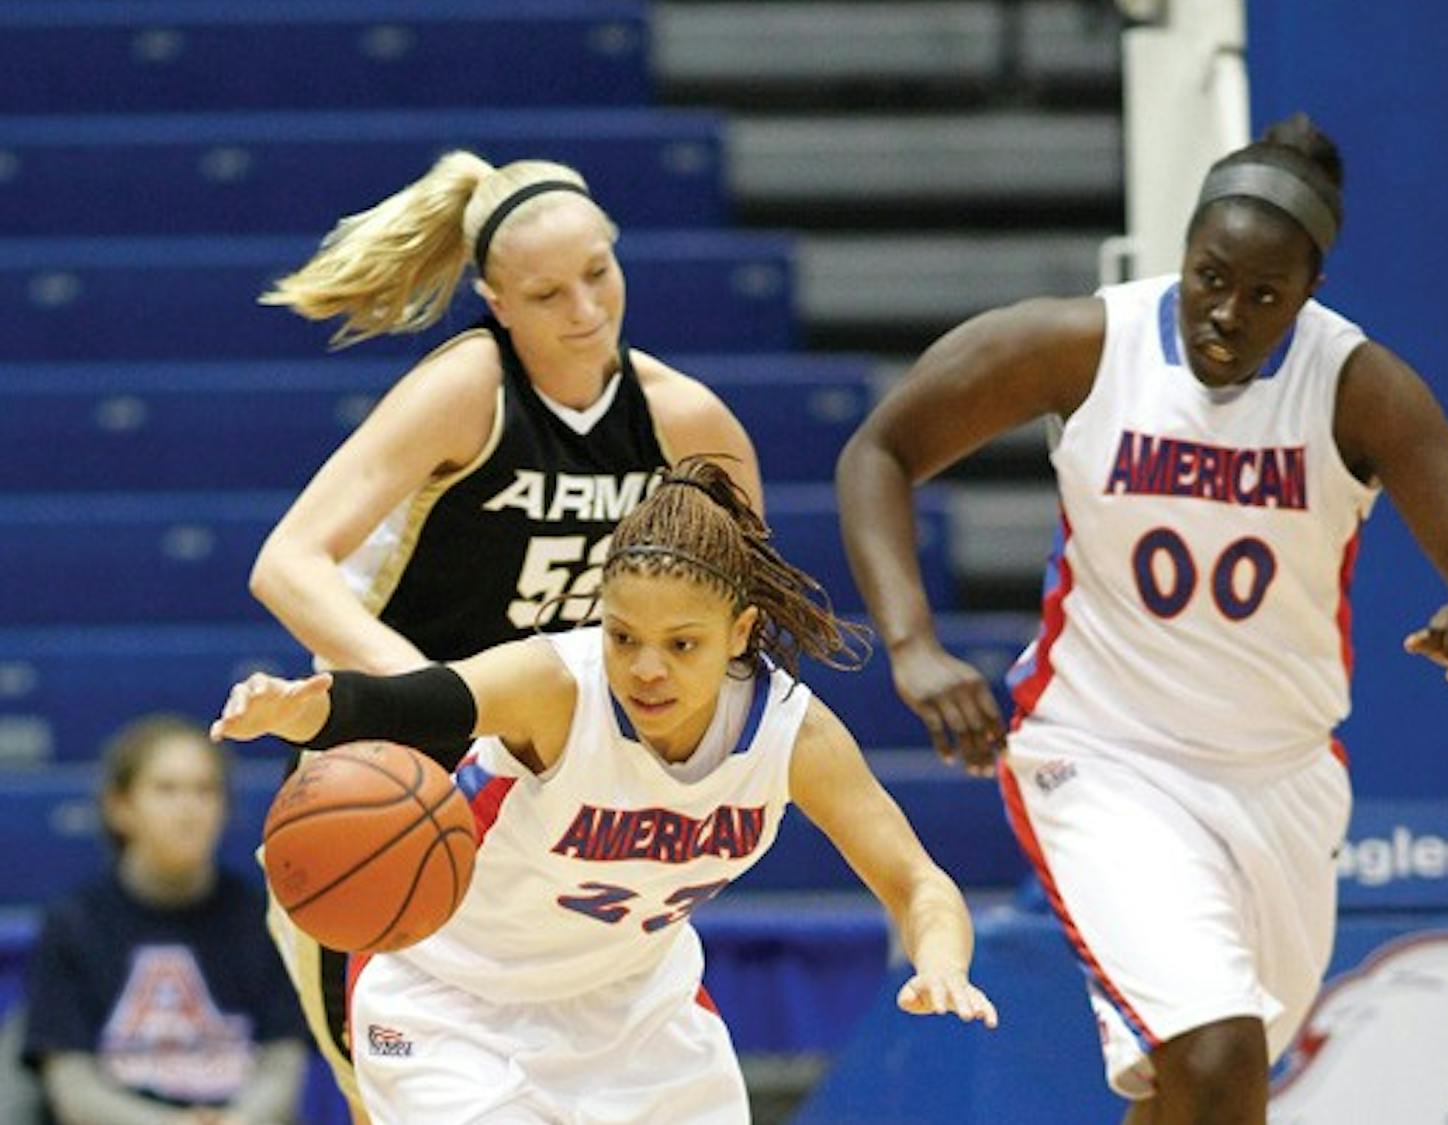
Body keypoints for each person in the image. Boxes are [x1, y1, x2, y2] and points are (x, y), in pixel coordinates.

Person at [835, 113, 1448, 1124]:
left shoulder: (1359, 388)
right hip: (1104, 753)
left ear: (1309, 292)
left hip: (1281, 777)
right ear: (1182, 256)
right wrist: (914, 645)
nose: (1226, 313)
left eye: (1263, 294)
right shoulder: (1084, 344)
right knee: (1219, 1053)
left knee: (1198, 1089)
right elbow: (879, 450)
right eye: (1209, 277)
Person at [213, 458, 999, 1124]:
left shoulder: (792, 735)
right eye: (624, 636)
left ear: (740, 631)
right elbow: (409, 701)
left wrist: (942, 962)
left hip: (635, 1009)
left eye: (681, 644)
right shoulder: (556, 685)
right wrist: (304, 707)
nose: (646, 668)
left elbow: (917, 881)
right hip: (449, 999)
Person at [248, 154, 764, 1118]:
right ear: (494, 300)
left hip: (553, 809)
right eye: (546, 291)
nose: (585, 309)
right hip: (396, 786)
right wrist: (444, 698)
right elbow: (287, 564)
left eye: (600, 272)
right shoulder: (470, 390)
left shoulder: (685, 421)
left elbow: (741, 630)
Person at [22, 715, 307, 1125]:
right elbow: (72, 1086)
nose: (188, 809)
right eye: (166, 790)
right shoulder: (74, 924)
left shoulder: (264, 919)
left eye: (204, 790)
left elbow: (284, 1064)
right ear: (120, 807)